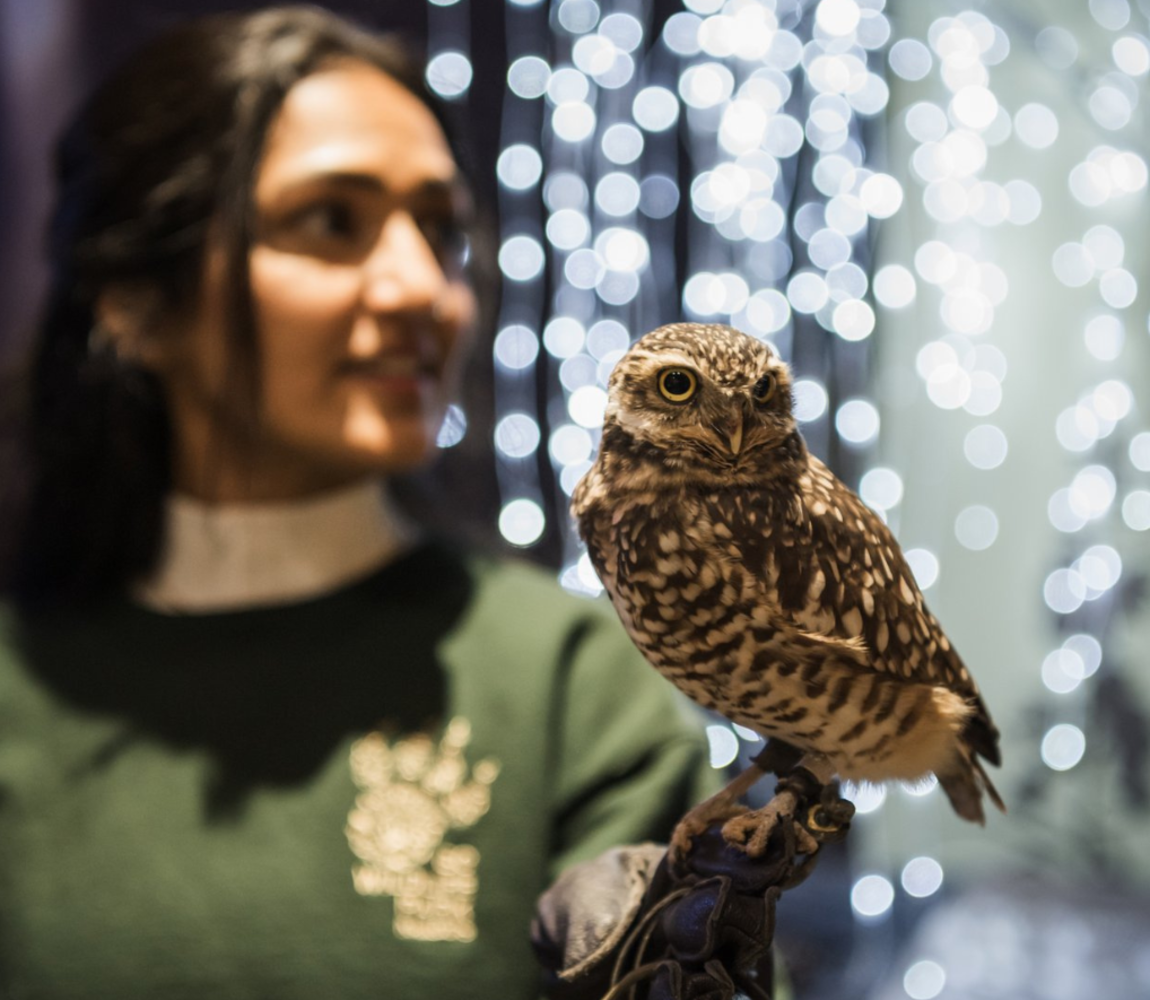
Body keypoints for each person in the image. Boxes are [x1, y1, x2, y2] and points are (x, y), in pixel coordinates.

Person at [0, 8, 717, 998]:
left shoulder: (568, 689)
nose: (424, 288)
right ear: (135, 302)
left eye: (439, 231)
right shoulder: (25, 685)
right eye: (332, 221)